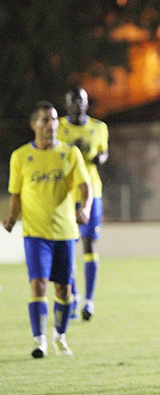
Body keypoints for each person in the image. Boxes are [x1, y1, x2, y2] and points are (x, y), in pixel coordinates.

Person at [3, 101, 92, 358]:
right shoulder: (20, 157)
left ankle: (60, 337)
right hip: (35, 234)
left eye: (53, 119)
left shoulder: (70, 154)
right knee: (39, 284)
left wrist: (84, 207)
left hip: (65, 233)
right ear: (33, 125)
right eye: (44, 120)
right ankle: (39, 340)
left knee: (63, 290)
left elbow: (84, 186)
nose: (50, 125)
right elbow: (16, 194)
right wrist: (11, 217)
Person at [57, 86, 109, 321]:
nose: (78, 104)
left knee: (89, 245)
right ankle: (74, 296)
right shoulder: (58, 128)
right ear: (67, 103)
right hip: (67, 194)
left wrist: (101, 158)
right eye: (74, 100)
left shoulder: (99, 128)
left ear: (87, 103)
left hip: (92, 192)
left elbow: (103, 152)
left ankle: (89, 300)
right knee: (67, 247)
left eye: (82, 100)